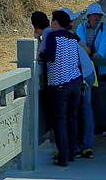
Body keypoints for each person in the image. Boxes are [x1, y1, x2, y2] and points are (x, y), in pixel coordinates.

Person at [42, 9, 84, 166]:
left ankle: (62, 157)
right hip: (75, 82)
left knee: (60, 121)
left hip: (60, 84)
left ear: (55, 22)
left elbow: (50, 56)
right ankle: (72, 152)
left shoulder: (53, 36)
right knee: (72, 118)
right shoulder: (73, 37)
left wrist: (41, 56)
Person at [75, 3, 106, 154]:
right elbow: (81, 44)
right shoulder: (81, 28)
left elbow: (104, 45)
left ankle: (100, 126)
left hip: (99, 67)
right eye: (95, 15)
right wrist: (87, 55)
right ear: (89, 16)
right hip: (85, 67)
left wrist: (97, 55)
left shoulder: (105, 28)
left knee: (99, 96)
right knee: (86, 103)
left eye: (99, 15)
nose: (97, 17)